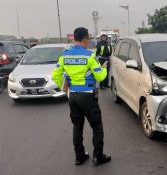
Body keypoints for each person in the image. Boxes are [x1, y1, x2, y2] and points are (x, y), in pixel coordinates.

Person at [52, 27, 111, 166]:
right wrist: (103, 67)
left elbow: (55, 75)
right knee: (97, 127)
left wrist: (66, 87)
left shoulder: (64, 55)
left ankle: (79, 156)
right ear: (85, 39)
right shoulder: (89, 56)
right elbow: (100, 76)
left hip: (72, 96)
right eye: (89, 39)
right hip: (88, 97)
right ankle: (98, 156)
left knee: (77, 127)